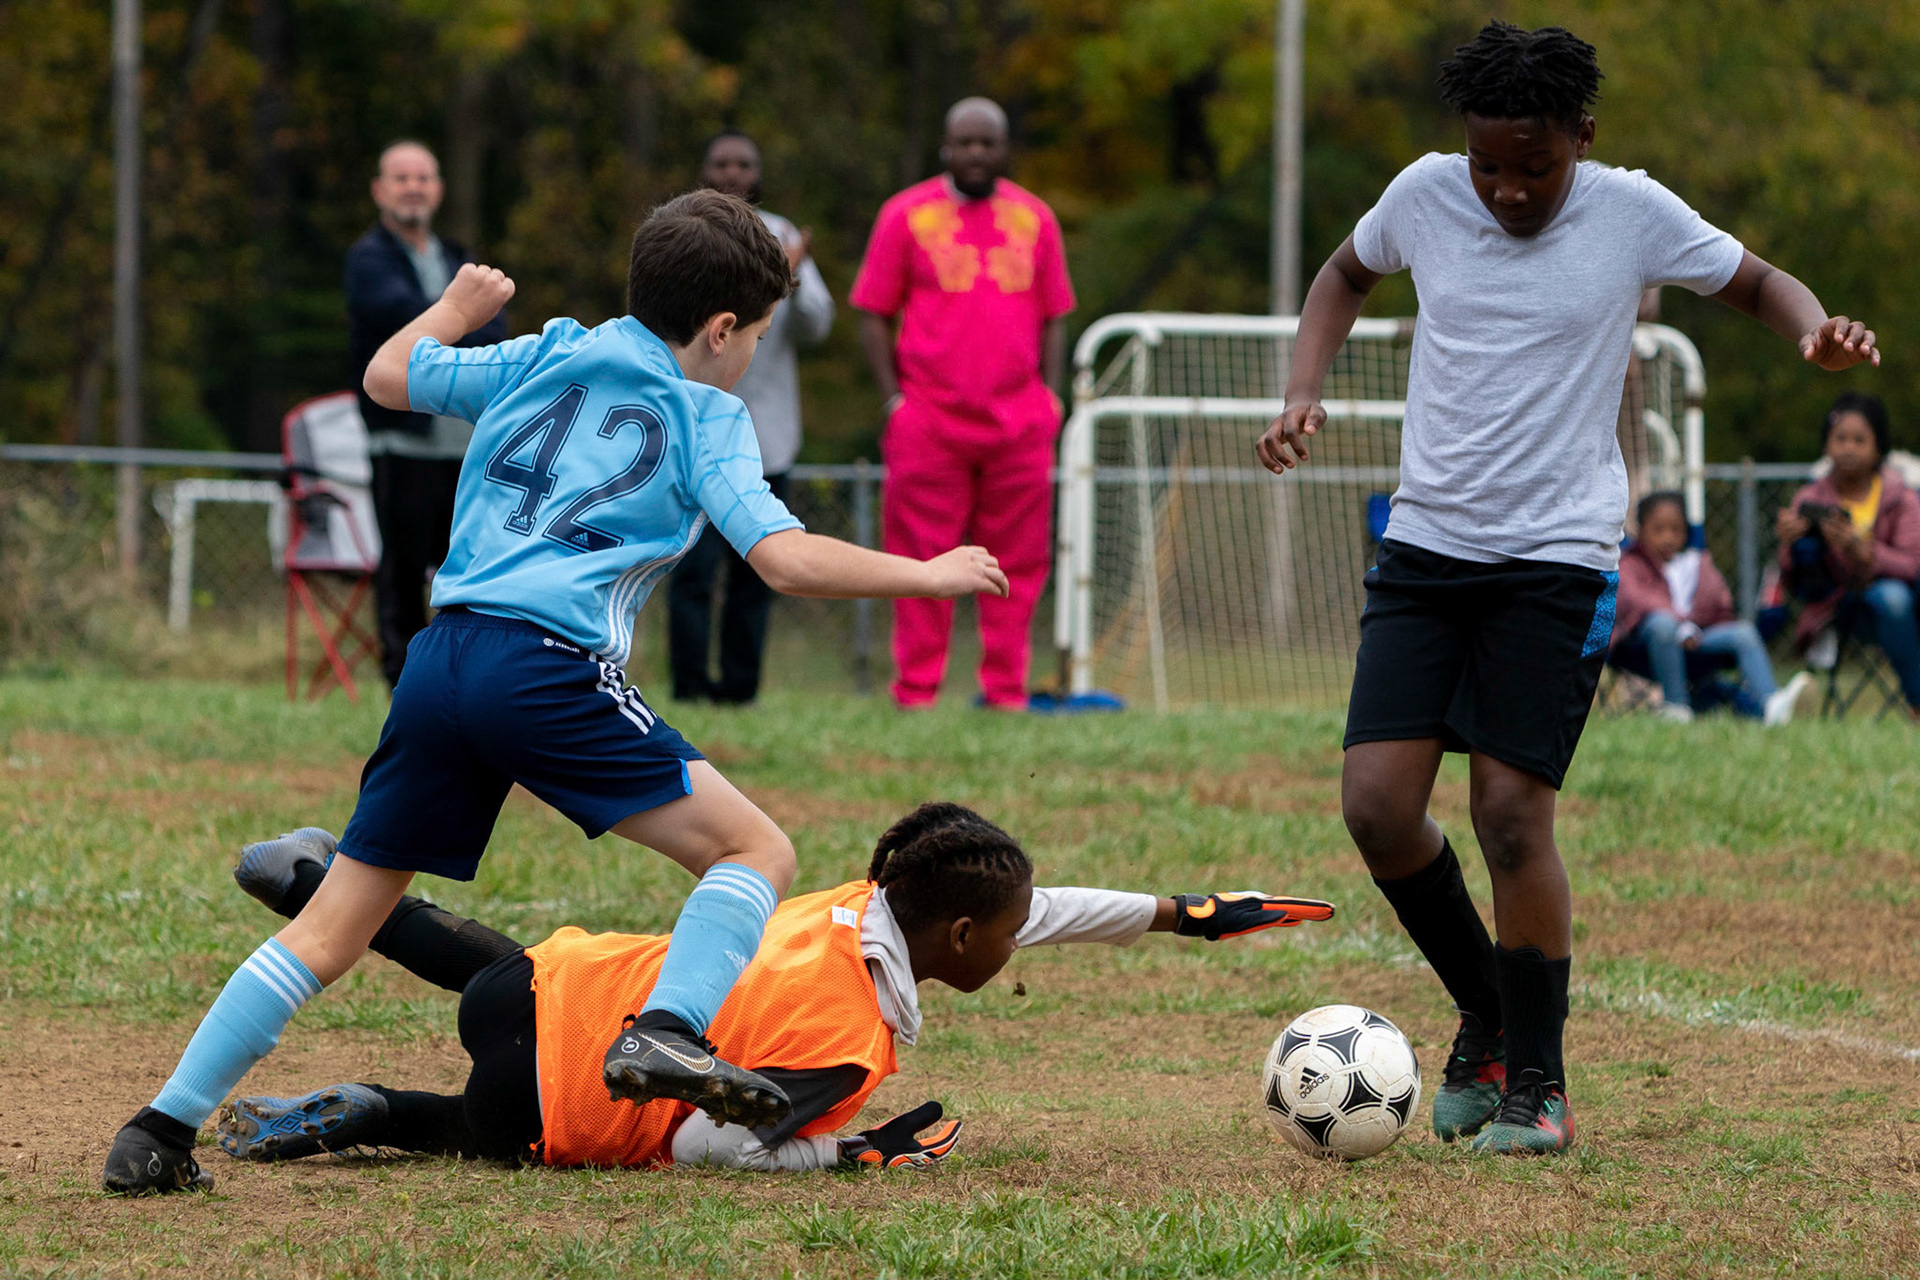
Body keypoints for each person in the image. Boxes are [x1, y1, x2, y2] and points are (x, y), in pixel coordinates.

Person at [103, 190, 1012, 1195]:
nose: (749, 354)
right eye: (753, 335)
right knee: (756, 848)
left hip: (440, 656)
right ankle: (664, 1032)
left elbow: (389, 372)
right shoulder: (706, 413)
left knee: (331, 930)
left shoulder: (549, 349)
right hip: (545, 664)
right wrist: (928, 572)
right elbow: (786, 560)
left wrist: (454, 306)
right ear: (721, 330)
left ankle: (157, 1128)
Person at [1255, 21, 1878, 1155]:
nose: (1505, 190)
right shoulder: (1427, 194)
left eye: (1533, 168)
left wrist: (1813, 333)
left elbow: (1757, 280)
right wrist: (1303, 386)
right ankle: (1488, 1016)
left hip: (1556, 557)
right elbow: (1345, 272)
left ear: (1582, 140)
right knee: (1378, 806)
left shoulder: (1631, 210)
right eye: (1489, 165)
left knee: (1506, 813)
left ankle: (1535, 1087)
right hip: (1429, 547)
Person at [203, 809, 1333, 1178]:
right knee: (455, 1123)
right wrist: (856, 1150)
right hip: (548, 1107)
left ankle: (308, 880)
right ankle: (372, 1108)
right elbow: (704, 1140)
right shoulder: (851, 1040)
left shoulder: (854, 899)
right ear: (952, 936)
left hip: (543, 987)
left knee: (502, 965)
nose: (1017, 939)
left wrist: (1173, 912)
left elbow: (1036, 905)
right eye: (1002, 932)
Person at [851, 97, 1076, 711]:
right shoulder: (905, 215)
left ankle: (1005, 692)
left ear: (1003, 150)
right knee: (920, 560)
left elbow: (1056, 312)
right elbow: (872, 310)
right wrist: (894, 399)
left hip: (1018, 421)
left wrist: (1050, 398)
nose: (976, 153)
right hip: (928, 419)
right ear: (946, 148)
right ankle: (916, 692)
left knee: (1019, 561)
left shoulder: (1035, 219)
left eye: (987, 143)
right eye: (964, 142)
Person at [668, 131, 834, 705]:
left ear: (758, 173)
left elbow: (818, 325)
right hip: (690, 429)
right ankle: (689, 687)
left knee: (757, 568)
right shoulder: (680, 233)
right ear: (703, 169)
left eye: (744, 163)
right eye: (722, 162)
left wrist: (789, 277)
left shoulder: (783, 235)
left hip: (768, 436)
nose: (733, 172)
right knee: (691, 573)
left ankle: (741, 691)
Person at [346, 140, 508, 689]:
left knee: (464, 567)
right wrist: (460, 312)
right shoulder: (368, 260)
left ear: (437, 190)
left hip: (466, 448)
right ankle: (403, 678)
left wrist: (452, 316)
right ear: (379, 190)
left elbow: (496, 328)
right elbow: (393, 310)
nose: (413, 187)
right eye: (401, 178)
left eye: (423, 177)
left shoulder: (457, 254)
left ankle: (458, 674)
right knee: (402, 568)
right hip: (402, 444)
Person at [1776, 392, 1920, 716]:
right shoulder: (1809, 497)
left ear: (1878, 446)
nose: (1849, 448)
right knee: (1891, 598)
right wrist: (1789, 543)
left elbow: (1913, 564)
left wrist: (1863, 550)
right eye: (1840, 438)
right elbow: (1790, 579)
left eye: (1860, 439)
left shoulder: (1903, 498)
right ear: (1826, 445)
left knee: (1894, 597)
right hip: (1838, 608)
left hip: (1905, 607)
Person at [1612, 491, 1810, 724]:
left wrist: (1703, 576)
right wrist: (1681, 625)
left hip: (1698, 639)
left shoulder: (1696, 563)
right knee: (1662, 624)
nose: (1668, 537)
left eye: (1676, 530)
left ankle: (1772, 703)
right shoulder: (1630, 563)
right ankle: (1676, 707)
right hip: (1644, 645)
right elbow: (1637, 600)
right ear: (1641, 530)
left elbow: (1719, 604)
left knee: (1743, 632)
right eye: (1658, 530)